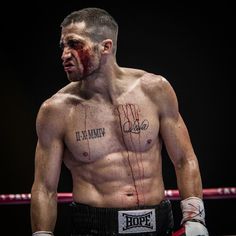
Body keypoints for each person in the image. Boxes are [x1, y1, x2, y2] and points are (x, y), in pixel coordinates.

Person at [30, 7, 209, 236]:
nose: (64, 54)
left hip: (159, 222)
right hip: (94, 226)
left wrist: (195, 218)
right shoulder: (56, 110)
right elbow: (44, 188)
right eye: (63, 46)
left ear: (105, 46)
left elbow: (185, 159)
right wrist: (42, 234)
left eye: (74, 44)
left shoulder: (155, 90)